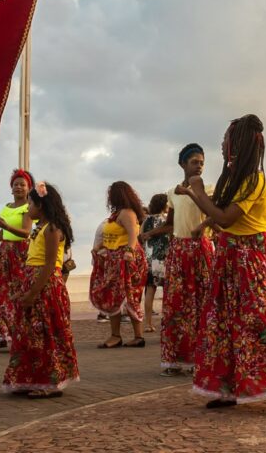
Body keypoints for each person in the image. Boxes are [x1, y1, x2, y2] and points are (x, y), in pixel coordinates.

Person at [177, 114, 266, 410]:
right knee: (224, 322)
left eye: (227, 140)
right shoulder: (233, 177)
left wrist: (198, 192)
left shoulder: (255, 179)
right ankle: (228, 388)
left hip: (249, 256)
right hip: (229, 254)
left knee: (258, 320)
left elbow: (225, 216)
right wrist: (197, 194)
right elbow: (218, 216)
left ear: (238, 144)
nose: (222, 144)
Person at [3, 182, 79, 398]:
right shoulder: (40, 229)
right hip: (35, 284)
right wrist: (24, 291)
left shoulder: (53, 229)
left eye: (30, 203)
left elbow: (49, 265)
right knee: (30, 335)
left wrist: (33, 293)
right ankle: (32, 378)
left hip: (46, 287)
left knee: (45, 334)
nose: (27, 208)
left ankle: (49, 382)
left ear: (41, 205)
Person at [155, 143, 213, 376]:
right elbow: (171, 223)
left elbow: (214, 214)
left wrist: (202, 224)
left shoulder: (208, 188)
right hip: (179, 250)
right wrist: (150, 233)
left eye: (201, 162)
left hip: (201, 248)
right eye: (194, 162)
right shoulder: (172, 193)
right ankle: (176, 358)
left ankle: (202, 356)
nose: (198, 166)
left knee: (202, 302)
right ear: (183, 164)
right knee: (177, 304)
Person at [0, 170, 34, 351]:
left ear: (28, 189)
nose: (18, 187)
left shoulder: (28, 207)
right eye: (15, 184)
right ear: (11, 188)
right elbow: (3, 232)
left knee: (17, 294)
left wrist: (6, 225)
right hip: (4, 252)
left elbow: (26, 232)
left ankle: (18, 336)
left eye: (22, 185)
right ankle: (1, 335)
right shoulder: (8, 206)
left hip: (20, 254)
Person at [90, 181, 148, 348]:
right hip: (114, 260)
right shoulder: (117, 215)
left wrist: (129, 252)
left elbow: (132, 235)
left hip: (126, 260)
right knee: (113, 296)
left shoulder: (127, 213)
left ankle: (137, 336)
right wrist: (101, 247)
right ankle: (116, 335)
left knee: (129, 295)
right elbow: (115, 237)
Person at [138, 193, 170, 333]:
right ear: (165, 205)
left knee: (150, 291)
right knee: (168, 292)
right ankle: (167, 322)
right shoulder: (166, 220)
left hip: (150, 259)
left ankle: (148, 324)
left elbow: (140, 237)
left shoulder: (146, 220)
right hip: (165, 258)